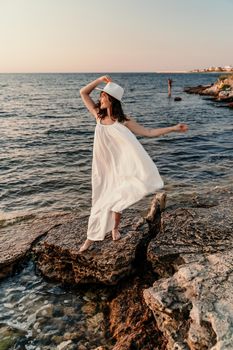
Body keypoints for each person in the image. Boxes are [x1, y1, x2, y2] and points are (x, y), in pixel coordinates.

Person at [79, 75, 188, 252]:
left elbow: (149, 132)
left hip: (121, 164)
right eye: (101, 96)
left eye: (104, 96)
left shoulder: (123, 121)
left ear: (112, 100)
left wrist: (173, 128)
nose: (100, 98)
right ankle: (91, 238)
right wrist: (100, 80)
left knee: (119, 196)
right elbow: (83, 92)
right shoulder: (97, 115)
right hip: (102, 166)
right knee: (99, 198)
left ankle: (114, 228)